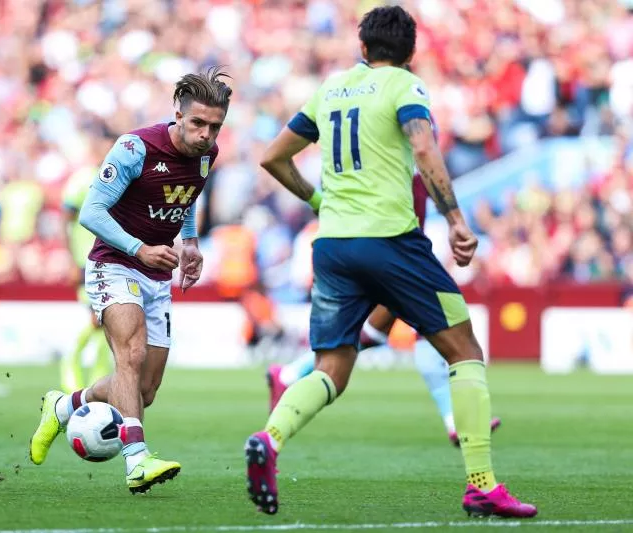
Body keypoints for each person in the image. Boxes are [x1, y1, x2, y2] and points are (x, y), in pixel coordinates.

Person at [243, 7, 536, 519]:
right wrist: (457, 219)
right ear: (410, 54)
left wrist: (319, 204)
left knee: (334, 365)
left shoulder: (331, 90)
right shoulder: (405, 86)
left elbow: (272, 156)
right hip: (391, 241)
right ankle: (482, 485)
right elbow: (423, 148)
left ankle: (270, 439)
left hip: (332, 246)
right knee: (463, 349)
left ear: (362, 49)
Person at [29, 67, 232, 494]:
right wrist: (139, 248)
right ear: (177, 112)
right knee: (131, 355)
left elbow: (188, 194)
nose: (205, 134)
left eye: (214, 126)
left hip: (157, 272)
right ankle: (137, 461)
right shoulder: (135, 148)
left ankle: (64, 406)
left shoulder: (206, 155)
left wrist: (190, 242)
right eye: (197, 123)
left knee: (144, 389)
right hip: (114, 263)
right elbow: (91, 213)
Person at [266, 174, 501, 448]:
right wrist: (455, 220)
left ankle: (288, 378)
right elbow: (424, 155)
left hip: (393, 239)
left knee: (377, 332)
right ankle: (459, 430)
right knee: (434, 328)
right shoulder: (409, 141)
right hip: (391, 243)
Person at [59, 167, 114, 391]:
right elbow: (66, 218)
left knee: (107, 325)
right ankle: (69, 363)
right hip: (86, 261)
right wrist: (70, 259)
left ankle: (96, 384)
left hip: (112, 262)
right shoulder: (84, 179)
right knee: (97, 319)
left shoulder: (127, 179)